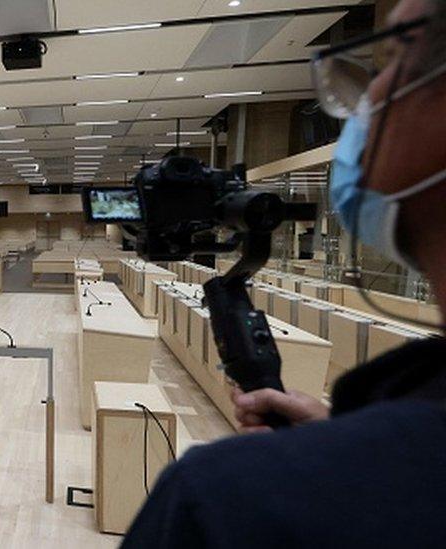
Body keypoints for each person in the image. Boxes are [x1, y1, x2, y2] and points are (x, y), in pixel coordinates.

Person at [121, 0, 446, 547]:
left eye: (393, 56)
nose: (369, 94)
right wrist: (342, 447)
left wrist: (336, 461)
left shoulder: (222, 501)